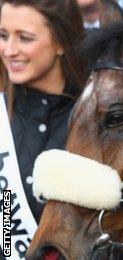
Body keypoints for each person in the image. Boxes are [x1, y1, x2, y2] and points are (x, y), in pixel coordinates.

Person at [0, 0, 86, 221]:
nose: (9, 50)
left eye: (25, 38)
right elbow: (6, 224)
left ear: (61, 43)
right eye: (3, 36)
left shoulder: (93, 118)